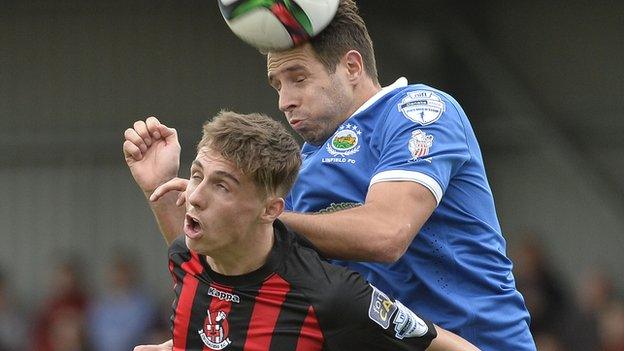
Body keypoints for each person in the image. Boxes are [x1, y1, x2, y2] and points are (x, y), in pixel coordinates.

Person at [124, 1, 536, 349]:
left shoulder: (418, 111)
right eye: (277, 85)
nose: (284, 101)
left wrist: (256, 217)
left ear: (352, 67)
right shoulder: (304, 166)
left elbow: (386, 234)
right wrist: (160, 189)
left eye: (298, 78)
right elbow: (222, 256)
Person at [126, 111, 479, 351]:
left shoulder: (329, 295)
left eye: (223, 186)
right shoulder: (186, 259)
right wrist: (156, 185)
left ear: (271, 210)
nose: (195, 195)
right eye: (198, 174)